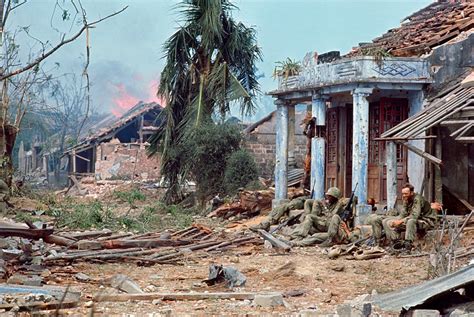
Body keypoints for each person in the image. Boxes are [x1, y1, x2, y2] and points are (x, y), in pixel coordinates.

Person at [383, 183, 441, 251]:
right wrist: (395, 221)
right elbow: (403, 214)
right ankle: (396, 242)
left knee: (411, 221)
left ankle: (408, 244)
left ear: (412, 193)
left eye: (406, 193)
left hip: (426, 220)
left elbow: (414, 216)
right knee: (386, 221)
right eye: (403, 193)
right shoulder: (406, 199)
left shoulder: (417, 199)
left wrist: (400, 221)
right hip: (417, 220)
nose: (404, 195)